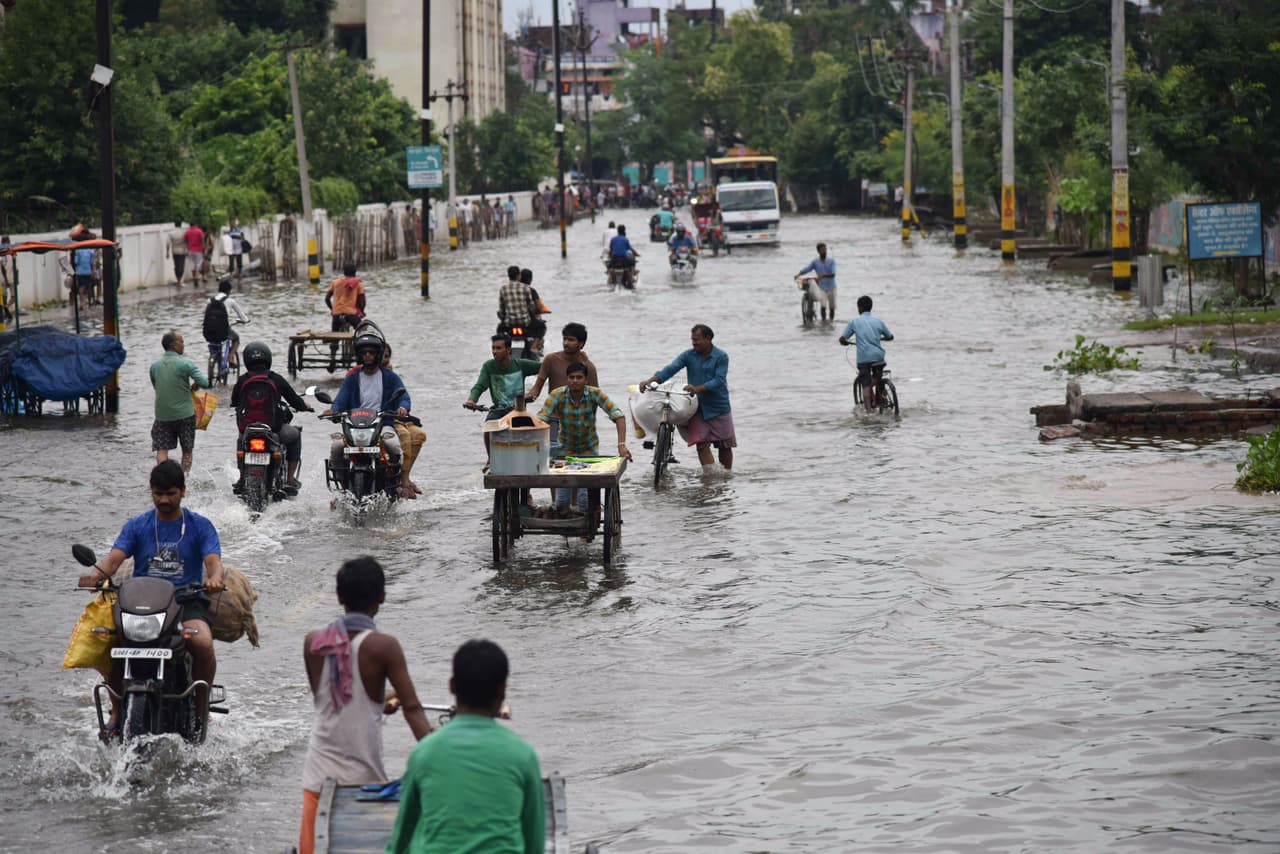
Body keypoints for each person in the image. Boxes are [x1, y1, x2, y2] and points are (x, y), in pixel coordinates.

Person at [77, 460, 226, 740]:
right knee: (108, 641)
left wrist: (215, 578)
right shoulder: (138, 525)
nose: (164, 500)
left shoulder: (200, 526)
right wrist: (94, 576)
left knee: (202, 642)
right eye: (158, 494)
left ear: (183, 492)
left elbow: (213, 562)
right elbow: (113, 560)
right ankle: (117, 709)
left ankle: (201, 707)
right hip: (142, 603)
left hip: (186, 601)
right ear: (151, 492)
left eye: (170, 493)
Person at [298, 556, 433, 854]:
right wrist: (442, 752)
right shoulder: (384, 646)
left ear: (339, 597)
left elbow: (333, 700)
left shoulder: (313, 643)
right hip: (363, 783)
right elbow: (413, 710)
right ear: (381, 597)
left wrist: (378, 700)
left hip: (318, 780)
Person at [385, 639, 545, 854]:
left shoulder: (424, 753)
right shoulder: (523, 755)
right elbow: (534, 842)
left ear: (452, 685)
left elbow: (402, 835)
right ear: (503, 691)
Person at [322, 328, 412, 497]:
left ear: (377, 354)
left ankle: (395, 484)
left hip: (382, 424)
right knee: (336, 447)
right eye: (364, 353)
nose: (368, 356)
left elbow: (404, 396)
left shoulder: (390, 377)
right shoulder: (353, 378)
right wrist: (333, 410)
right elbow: (341, 399)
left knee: (393, 447)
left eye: (371, 352)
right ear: (359, 355)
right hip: (355, 427)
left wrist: (403, 408)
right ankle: (342, 488)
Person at [537, 362, 631, 516]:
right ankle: (565, 526)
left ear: (586, 380)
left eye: (579, 377)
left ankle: (586, 532)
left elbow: (618, 415)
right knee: (561, 501)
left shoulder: (595, 393)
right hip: (564, 451)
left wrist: (621, 445)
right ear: (567, 380)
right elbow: (542, 418)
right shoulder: (557, 394)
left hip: (589, 450)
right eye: (571, 377)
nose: (575, 381)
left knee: (584, 498)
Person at [640, 324, 734, 476]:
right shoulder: (689, 355)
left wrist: (698, 388)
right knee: (701, 445)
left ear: (708, 339)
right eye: (692, 340)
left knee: (724, 445)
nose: (694, 343)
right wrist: (650, 381)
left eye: (697, 340)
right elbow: (670, 369)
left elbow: (719, 380)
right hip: (697, 407)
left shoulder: (721, 356)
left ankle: (726, 477)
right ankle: (711, 478)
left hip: (719, 406)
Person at [231, 342, 313, 491]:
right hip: (274, 430)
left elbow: (234, 402)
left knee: (241, 440)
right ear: (268, 358)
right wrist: (305, 406)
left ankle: (242, 478)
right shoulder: (276, 378)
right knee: (295, 435)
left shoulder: (242, 380)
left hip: (248, 430)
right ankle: (289, 480)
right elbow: (294, 400)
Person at [463, 334, 542, 453]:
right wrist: (472, 400)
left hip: (518, 411)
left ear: (508, 350)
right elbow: (480, 386)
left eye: (498, 348)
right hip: (498, 411)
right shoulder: (489, 366)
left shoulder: (520, 365)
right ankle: (490, 460)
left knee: (533, 433)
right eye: (493, 348)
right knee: (488, 429)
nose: (495, 351)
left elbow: (545, 368)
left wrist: (534, 391)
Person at [150, 330, 210, 473]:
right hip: (185, 415)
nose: (183, 345)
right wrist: (195, 385)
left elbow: (157, 387)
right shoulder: (186, 364)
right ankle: (183, 480)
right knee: (187, 451)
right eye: (181, 342)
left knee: (162, 451)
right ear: (173, 345)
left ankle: (162, 478)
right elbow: (205, 383)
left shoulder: (154, 366)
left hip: (162, 416)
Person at [838, 295, 895, 413]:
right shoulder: (878, 321)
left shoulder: (854, 322)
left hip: (864, 359)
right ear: (871, 307)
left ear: (859, 308)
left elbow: (843, 338)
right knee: (877, 377)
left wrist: (843, 341)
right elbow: (890, 336)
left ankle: (869, 413)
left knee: (866, 384)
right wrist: (884, 338)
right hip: (879, 357)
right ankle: (881, 397)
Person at [528, 322, 597, 401]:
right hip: (554, 410)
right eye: (564, 339)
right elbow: (536, 390)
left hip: (579, 411)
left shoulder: (588, 367)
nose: (566, 343)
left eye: (571, 340)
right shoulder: (550, 360)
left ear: (581, 344)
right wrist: (524, 398)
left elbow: (595, 397)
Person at [326, 260, 366, 367]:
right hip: (351, 315)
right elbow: (362, 301)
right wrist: (362, 310)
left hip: (337, 314)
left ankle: (332, 358)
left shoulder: (335, 282)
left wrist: (332, 309)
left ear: (344, 272)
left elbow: (327, 298)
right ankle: (360, 355)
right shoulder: (358, 284)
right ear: (355, 272)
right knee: (362, 331)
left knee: (335, 336)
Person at [203, 278, 249, 369]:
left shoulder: (209, 301)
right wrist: (244, 321)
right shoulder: (230, 301)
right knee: (236, 338)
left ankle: (212, 363)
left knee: (214, 346)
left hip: (208, 331)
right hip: (223, 331)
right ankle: (231, 357)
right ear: (229, 290)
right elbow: (243, 318)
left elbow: (204, 315)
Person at [796, 242, 837, 322]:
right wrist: (799, 274)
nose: (824, 251)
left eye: (825, 249)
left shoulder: (832, 261)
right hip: (822, 288)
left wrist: (823, 275)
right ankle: (824, 322)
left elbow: (833, 274)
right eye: (822, 250)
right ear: (818, 251)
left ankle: (831, 322)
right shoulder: (815, 262)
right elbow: (807, 269)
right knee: (823, 306)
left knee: (832, 308)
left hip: (832, 287)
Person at [497, 264, 538, 336]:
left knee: (499, 330)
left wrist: (502, 319)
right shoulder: (526, 288)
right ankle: (534, 346)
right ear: (519, 275)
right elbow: (531, 307)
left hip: (509, 323)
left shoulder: (503, 289)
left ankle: (503, 346)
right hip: (525, 322)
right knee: (541, 326)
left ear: (508, 276)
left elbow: (502, 309)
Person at [166, 221, 188, 286]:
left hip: (174, 250)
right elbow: (187, 241)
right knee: (182, 265)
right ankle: (179, 280)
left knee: (176, 265)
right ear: (181, 225)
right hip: (182, 250)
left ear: (174, 225)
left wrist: (167, 252)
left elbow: (167, 243)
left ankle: (178, 280)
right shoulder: (184, 232)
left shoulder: (171, 233)